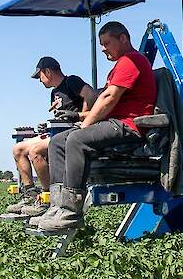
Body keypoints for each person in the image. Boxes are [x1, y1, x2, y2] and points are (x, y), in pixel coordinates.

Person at [32, 21, 156, 232]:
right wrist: (81, 116)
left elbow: (108, 98)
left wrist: (84, 126)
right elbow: (106, 104)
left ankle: (72, 212)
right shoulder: (121, 65)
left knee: (76, 139)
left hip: (129, 126)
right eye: (100, 44)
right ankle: (57, 206)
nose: (103, 48)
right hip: (114, 122)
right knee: (57, 141)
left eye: (107, 43)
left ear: (123, 39)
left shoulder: (131, 60)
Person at [3, 56, 94, 217]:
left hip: (75, 130)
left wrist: (81, 116)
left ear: (48, 71)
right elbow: (59, 117)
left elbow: (91, 95)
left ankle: (47, 197)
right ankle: (30, 195)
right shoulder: (54, 93)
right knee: (18, 149)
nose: (40, 80)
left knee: (35, 151)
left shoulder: (71, 81)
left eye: (40, 76)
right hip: (57, 131)